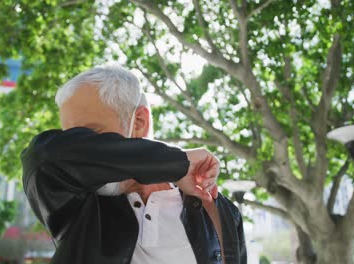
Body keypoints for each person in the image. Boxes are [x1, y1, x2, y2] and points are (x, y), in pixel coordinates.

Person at [21, 66, 246, 264]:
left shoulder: (222, 211)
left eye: (90, 137)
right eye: (72, 141)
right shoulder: (75, 203)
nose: (80, 151)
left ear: (138, 122)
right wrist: (178, 163)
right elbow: (44, 156)